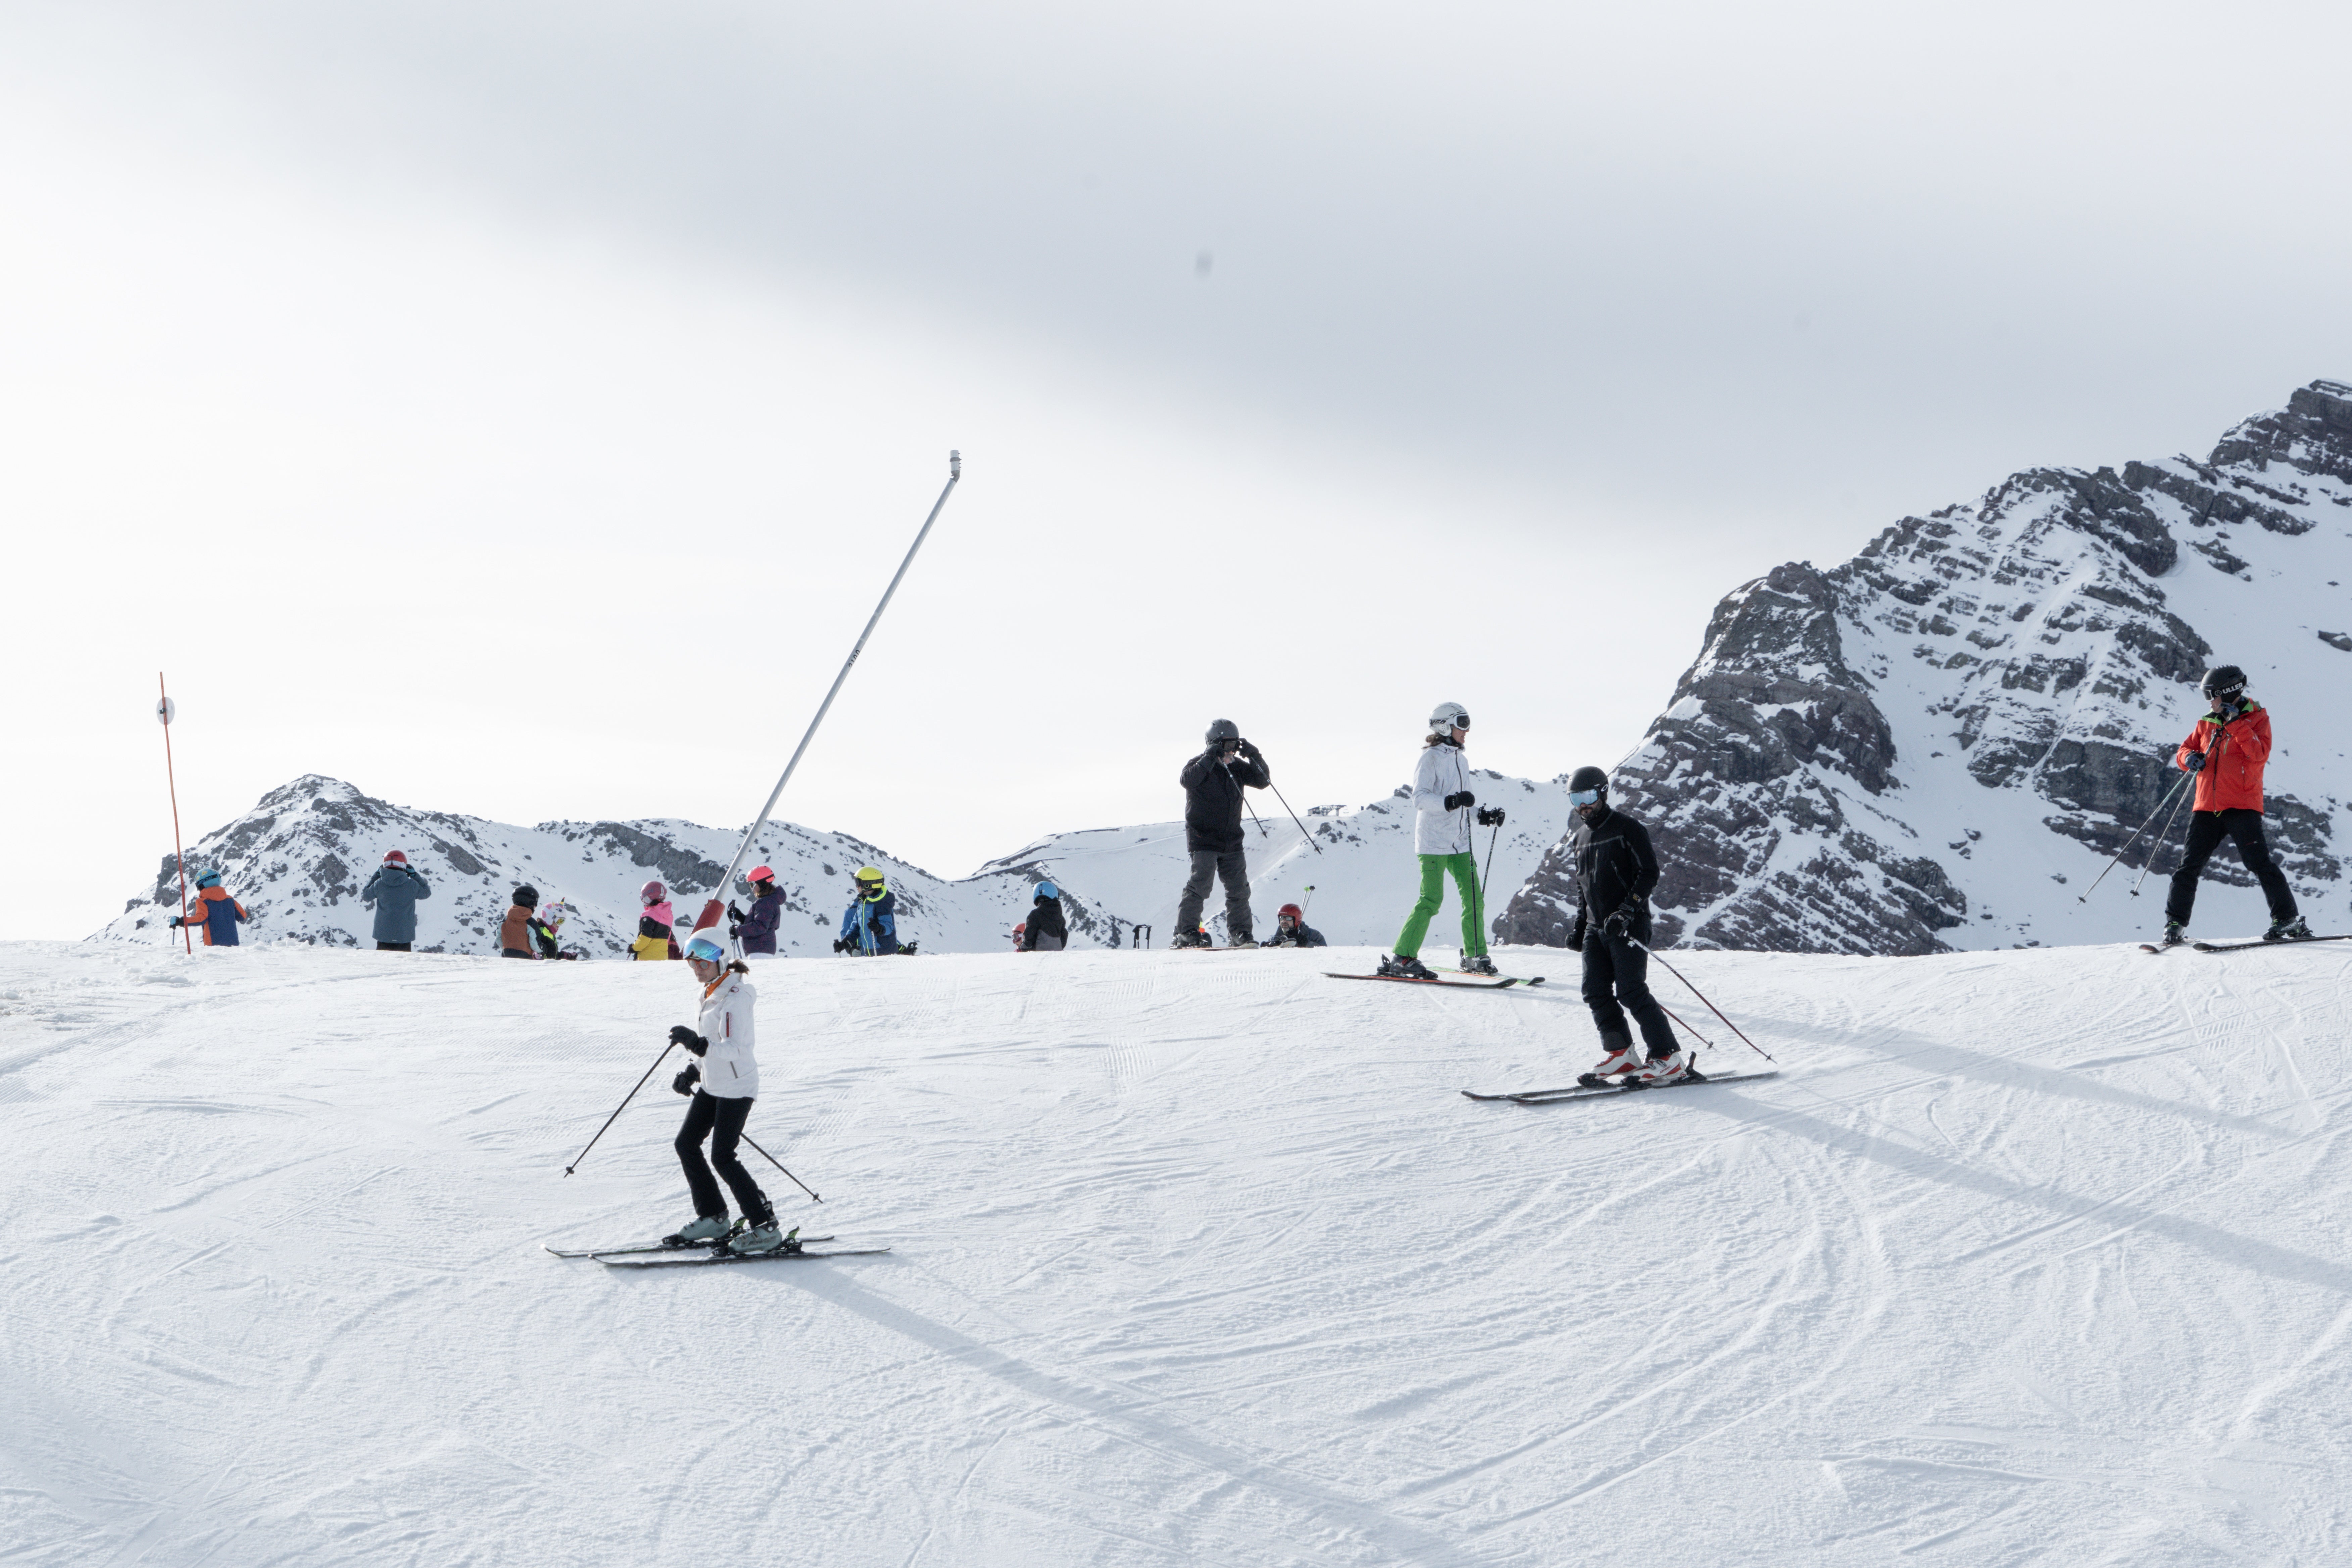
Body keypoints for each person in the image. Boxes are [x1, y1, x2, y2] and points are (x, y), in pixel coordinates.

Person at [2162, 665, 2312, 945]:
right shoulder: (2207, 721)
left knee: (2258, 863)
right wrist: (2189, 758)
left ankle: (2287, 918)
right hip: (2207, 805)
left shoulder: (2257, 719)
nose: (2209, 702)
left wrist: (2234, 723)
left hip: (2242, 805)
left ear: (2226, 693)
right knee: (2188, 867)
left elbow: (2258, 754)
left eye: (2212, 696)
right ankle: (2175, 923)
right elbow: (2183, 750)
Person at [1562, 766, 1692, 1085]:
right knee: (1594, 992)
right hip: (1597, 928)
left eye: (1588, 797)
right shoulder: (1579, 837)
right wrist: (1581, 926)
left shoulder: (1626, 828)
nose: (1583, 805)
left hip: (1628, 924)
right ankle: (1621, 1053)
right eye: (1576, 798)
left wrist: (1626, 911)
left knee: (1631, 991)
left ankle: (1667, 1058)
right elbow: (1583, 887)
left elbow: (1648, 872)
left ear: (1603, 793)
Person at [663, 928, 784, 1253]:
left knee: (723, 1156)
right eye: (692, 962)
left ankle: (765, 1227)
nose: (698, 968)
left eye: (703, 961)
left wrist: (698, 1045)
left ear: (721, 959)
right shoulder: (710, 993)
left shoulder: (736, 999)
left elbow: (737, 1049)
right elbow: (712, 1049)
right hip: (713, 1083)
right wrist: (693, 1070)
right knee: (686, 1144)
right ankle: (714, 1217)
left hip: (738, 1085)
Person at [1378, 703, 1496, 978]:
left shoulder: (1461, 760)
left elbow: (1465, 804)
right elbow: (1420, 798)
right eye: (1462, 724)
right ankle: (1403, 957)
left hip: (1460, 843)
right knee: (1432, 899)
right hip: (1433, 842)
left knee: (1475, 899)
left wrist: (1484, 815)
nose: (1467, 731)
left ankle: (1475, 956)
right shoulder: (1430, 758)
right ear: (1445, 726)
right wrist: (1450, 801)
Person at [1174, 719, 1269, 948]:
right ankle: (1186, 932)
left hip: (1232, 841)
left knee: (1239, 890)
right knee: (1200, 887)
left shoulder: (1236, 767)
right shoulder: (1198, 765)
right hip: (1204, 840)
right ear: (1213, 744)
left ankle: (1241, 934)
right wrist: (1209, 757)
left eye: (1234, 746)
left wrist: (1255, 756)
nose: (1231, 751)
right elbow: (1187, 781)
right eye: (1226, 745)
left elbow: (1263, 781)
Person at [361, 850, 431, 952]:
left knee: (382, 966)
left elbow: (366, 896)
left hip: (383, 935)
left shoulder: (379, 884)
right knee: (402, 966)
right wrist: (414, 875)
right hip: (404, 935)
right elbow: (426, 893)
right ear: (404, 865)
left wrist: (376, 876)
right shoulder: (412, 885)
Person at [169, 868, 249, 947]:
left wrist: (181, 921)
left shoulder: (203, 901)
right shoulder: (231, 900)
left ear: (202, 885)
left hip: (213, 944)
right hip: (233, 943)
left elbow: (201, 919)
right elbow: (243, 917)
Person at [836, 866, 901, 954]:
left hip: (885, 954)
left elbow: (889, 926)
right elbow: (856, 926)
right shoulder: (862, 902)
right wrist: (845, 943)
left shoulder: (882, 904)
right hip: (870, 953)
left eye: (859, 883)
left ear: (868, 885)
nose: (857, 887)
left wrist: (879, 929)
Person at [727, 865, 785, 957]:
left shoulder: (766, 902)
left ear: (761, 884)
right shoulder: (768, 901)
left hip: (760, 950)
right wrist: (741, 917)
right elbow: (761, 923)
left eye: (752, 884)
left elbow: (760, 927)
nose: (752, 889)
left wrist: (737, 930)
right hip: (760, 949)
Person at [632, 880, 674, 961]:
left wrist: (634, 948)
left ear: (650, 897)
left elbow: (645, 937)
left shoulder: (648, 915)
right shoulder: (669, 916)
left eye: (644, 898)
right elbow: (668, 938)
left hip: (647, 959)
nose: (644, 902)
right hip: (663, 959)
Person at [1021, 882, 1069, 951]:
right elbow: (1063, 941)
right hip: (1058, 956)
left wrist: (1023, 948)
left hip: (1038, 955)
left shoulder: (1035, 914)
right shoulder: (1061, 919)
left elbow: (1029, 937)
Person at [500, 886, 541, 959]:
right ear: (530, 902)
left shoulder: (505, 920)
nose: (536, 907)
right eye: (535, 904)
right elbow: (534, 944)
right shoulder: (531, 922)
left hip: (506, 956)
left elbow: (498, 939)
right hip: (525, 958)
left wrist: (506, 949)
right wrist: (541, 951)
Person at [1261, 902, 1327, 948]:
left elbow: (1325, 953)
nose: (1284, 921)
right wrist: (1268, 946)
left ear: (1297, 920)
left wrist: (1305, 943)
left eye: (1288, 918)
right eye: (1282, 918)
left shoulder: (1313, 935)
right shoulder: (1276, 938)